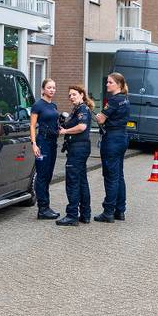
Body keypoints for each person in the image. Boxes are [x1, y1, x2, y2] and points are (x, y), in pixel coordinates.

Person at [94, 73, 130, 223]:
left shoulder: (114, 100)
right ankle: (120, 210)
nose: (107, 84)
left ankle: (108, 212)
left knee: (110, 176)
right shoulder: (125, 99)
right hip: (122, 137)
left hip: (112, 140)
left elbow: (101, 119)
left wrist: (97, 115)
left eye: (110, 82)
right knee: (119, 175)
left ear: (119, 85)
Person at [56, 85, 94, 226]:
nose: (71, 97)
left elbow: (82, 127)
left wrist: (65, 131)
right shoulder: (77, 109)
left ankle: (72, 215)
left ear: (82, 95)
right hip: (78, 148)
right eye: (70, 95)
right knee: (81, 180)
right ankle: (85, 214)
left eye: (74, 94)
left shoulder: (82, 109)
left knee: (72, 181)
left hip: (78, 148)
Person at [30, 79, 60, 220]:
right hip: (42, 143)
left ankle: (46, 206)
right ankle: (42, 209)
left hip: (52, 143)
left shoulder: (53, 105)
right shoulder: (37, 105)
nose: (52, 90)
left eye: (54, 88)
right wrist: (34, 144)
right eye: (49, 87)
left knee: (48, 175)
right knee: (42, 175)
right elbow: (32, 126)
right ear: (43, 89)